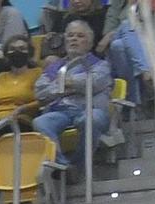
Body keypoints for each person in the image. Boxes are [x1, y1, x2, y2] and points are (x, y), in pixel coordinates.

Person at [32, 19, 122, 167]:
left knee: (89, 120)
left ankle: (79, 165)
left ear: (90, 43)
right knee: (40, 122)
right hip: (61, 111)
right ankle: (63, 165)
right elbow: (40, 92)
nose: (74, 39)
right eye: (71, 36)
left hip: (91, 109)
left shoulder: (101, 65)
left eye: (80, 36)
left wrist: (65, 84)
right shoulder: (54, 67)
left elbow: (94, 83)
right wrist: (69, 86)